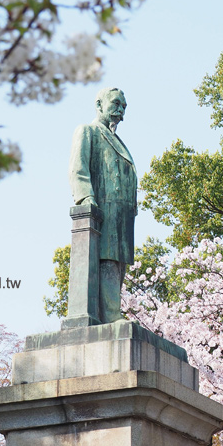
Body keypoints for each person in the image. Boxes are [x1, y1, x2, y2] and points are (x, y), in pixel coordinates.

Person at [68, 87, 136, 323]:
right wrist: (86, 199)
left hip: (122, 217)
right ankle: (110, 315)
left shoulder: (119, 141)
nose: (121, 112)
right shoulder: (88, 132)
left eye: (124, 107)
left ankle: (112, 312)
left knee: (118, 265)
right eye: (116, 104)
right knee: (107, 261)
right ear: (99, 104)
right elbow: (78, 169)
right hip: (103, 212)